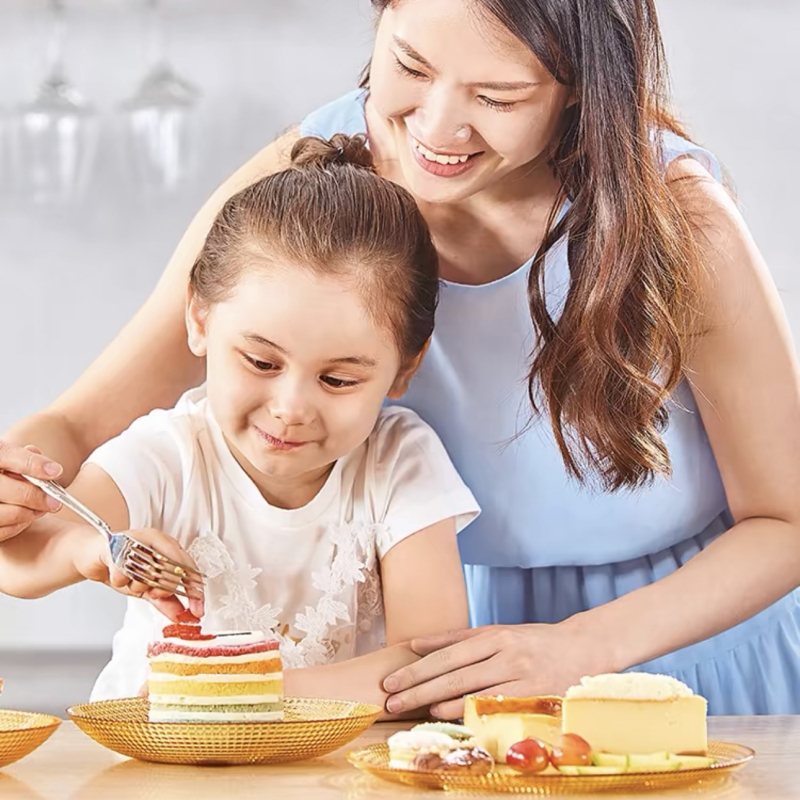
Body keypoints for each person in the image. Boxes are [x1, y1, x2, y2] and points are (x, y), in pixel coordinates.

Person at [3, 0, 800, 717]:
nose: (438, 128)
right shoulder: (317, 183)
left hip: (680, 648)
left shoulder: (678, 220)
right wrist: (21, 473)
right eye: (410, 66)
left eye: (497, 98)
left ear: (581, 92)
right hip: (455, 646)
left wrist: (584, 648)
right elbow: (79, 423)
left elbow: (787, 521)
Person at [0, 134, 477, 710]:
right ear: (199, 318)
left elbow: (432, 662)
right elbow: (21, 561)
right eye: (260, 362)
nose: (291, 407)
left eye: (338, 380)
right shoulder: (168, 454)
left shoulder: (399, 461)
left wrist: (249, 691)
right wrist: (91, 552)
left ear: (404, 369)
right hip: (156, 774)